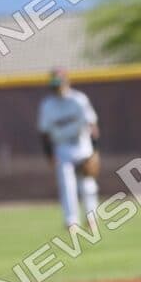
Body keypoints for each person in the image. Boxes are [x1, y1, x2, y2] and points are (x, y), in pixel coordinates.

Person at [37, 68, 100, 233]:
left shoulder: (79, 100)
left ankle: (91, 218)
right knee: (67, 184)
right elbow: (44, 132)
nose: (58, 87)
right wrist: (49, 155)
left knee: (88, 185)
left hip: (82, 145)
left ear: (67, 82)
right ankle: (71, 221)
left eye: (60, 83)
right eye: (55, 84)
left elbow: (92, 125)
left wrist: (95, 151)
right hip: (62, 147)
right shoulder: (48, 105)